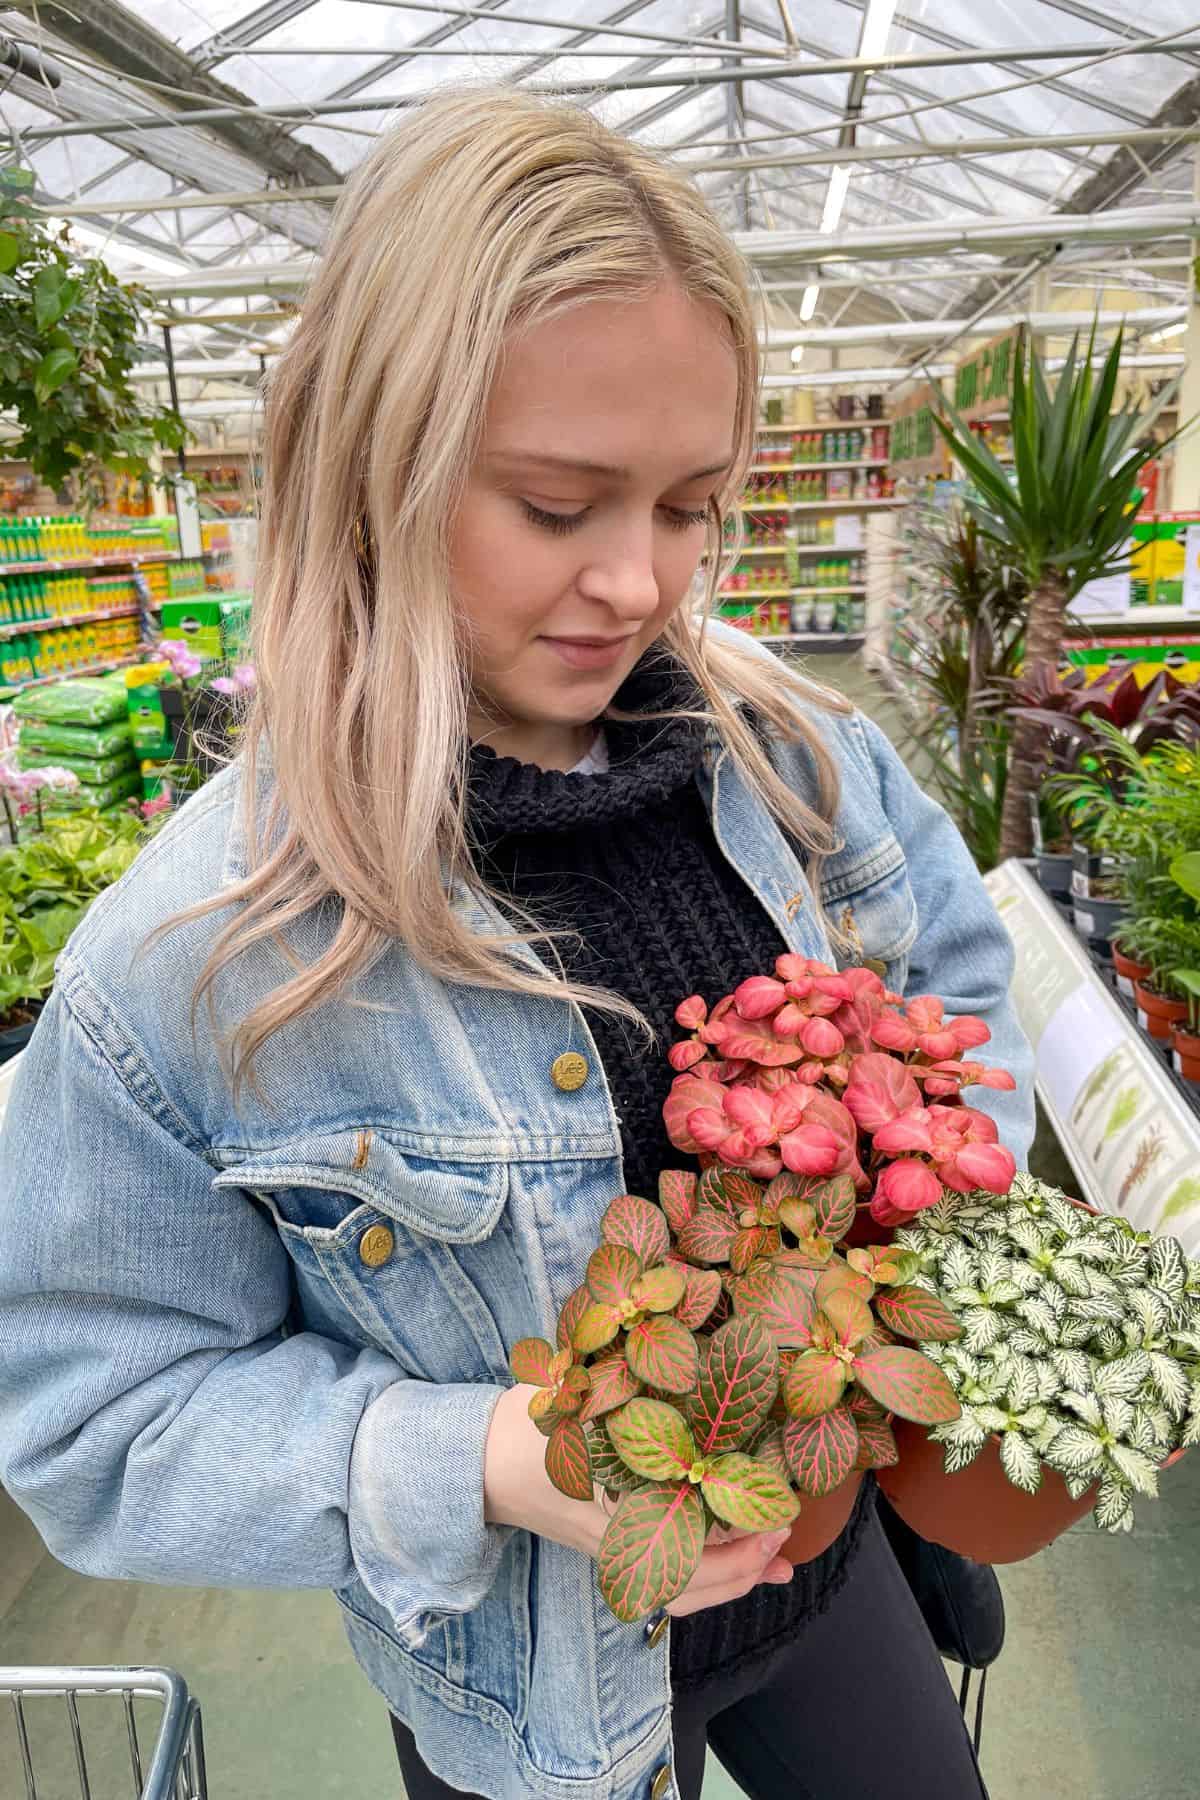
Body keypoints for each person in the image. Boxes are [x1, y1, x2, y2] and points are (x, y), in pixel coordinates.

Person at [0, 88, 1033, 1800]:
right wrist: (486, 1454)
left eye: (691, 506)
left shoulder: (797, 762)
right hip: (529, 1687)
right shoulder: (202, 958)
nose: (637, 583)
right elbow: (93, 1414)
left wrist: (922, 1208)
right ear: (373, 466)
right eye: (558, 506)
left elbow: (954, 987)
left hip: (832, 1570)